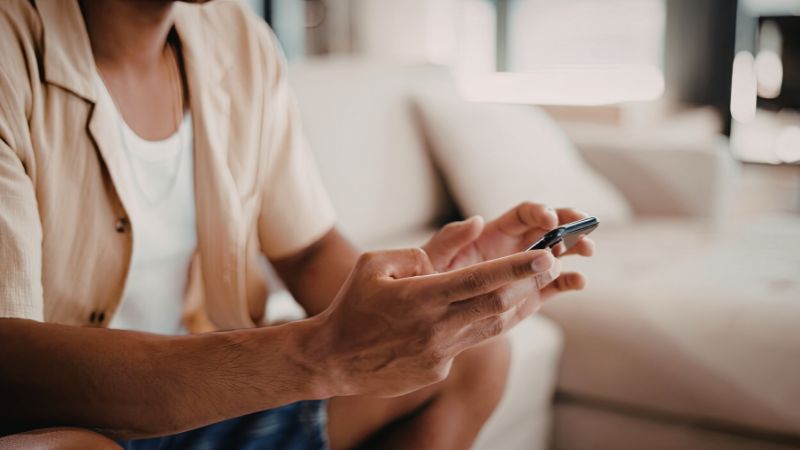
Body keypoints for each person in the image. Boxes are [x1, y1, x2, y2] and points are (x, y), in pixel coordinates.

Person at [0, 0, 594, 449]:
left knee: (478, 361)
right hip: (72, 415)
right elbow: (14, 365)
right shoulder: (12, 45)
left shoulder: (240, 42)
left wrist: (416, 294)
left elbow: (308, 250)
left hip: (215, 392)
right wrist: (316, 354)